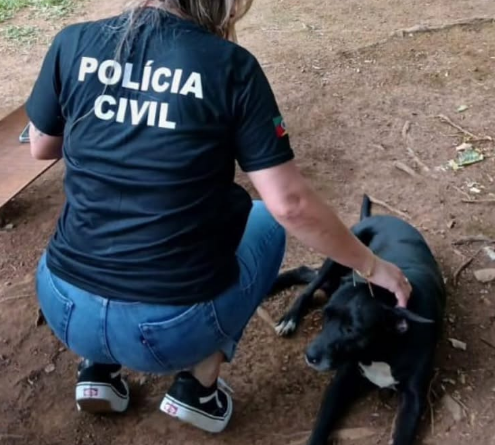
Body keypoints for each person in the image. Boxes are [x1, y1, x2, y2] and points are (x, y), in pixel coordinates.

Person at [27, 0, 412, 434]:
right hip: (163, 332)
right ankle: (198, 389)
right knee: (266, 219)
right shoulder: (231, 65)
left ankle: (97, 370)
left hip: (63, 303)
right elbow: (291, 205)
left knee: (110, 230)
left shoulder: (72, 41)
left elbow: (41, 146)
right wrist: (372, 265)